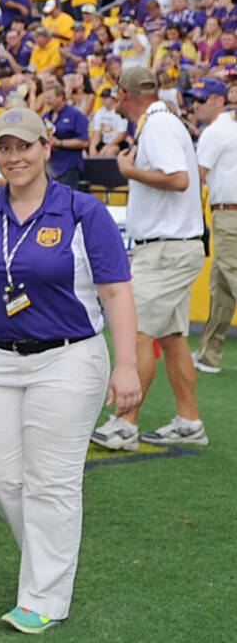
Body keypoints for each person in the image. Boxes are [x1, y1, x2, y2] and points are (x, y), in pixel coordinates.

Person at [0, 106, 139, 631]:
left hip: (68, 357)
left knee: (51, 481)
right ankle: (47, 560)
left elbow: (116, 290)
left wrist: (127, 366)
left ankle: (44, 597)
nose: (14, 156)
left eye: (23, 146)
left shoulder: (81, 211)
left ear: (46, 149)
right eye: (3, 147)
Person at [93, 61, 208, 449]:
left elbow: (178, 179)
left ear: (124, 95)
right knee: (173, 337)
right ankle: (189, 422)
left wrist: (129, 170)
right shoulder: (165, 121)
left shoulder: (157, 125)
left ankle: (125, 423)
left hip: (165, 249)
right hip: (173, 246)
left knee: (136, 330)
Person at [193, 79, 237, 373]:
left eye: (202, 99)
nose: (196, 104)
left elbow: (195, 176)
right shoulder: (229, 127)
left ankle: (210, 353)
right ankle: (209, 354)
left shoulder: (216, 131)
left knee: (231, 276)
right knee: (221, 285)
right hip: (227, 212)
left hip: (228, 214)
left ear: (219, 101)